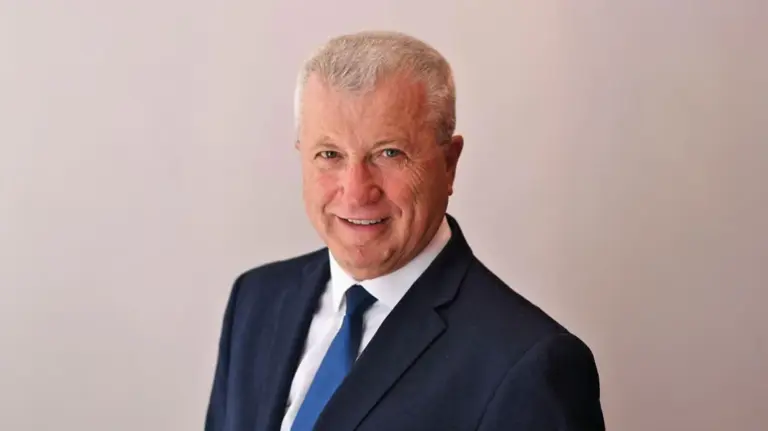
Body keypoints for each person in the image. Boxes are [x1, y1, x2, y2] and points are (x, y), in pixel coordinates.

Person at [205, 30, 605, 431]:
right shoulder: (255, 301)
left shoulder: (529, 366)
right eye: (329, 154)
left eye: (389, 153)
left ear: (449, 164)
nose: (357, 192)